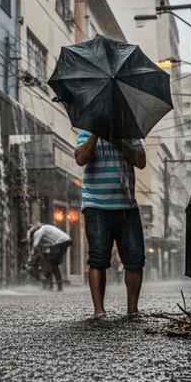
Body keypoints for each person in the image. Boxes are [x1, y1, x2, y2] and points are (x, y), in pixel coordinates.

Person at [75, 131, 146, 318]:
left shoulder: (129, 133)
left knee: (135, 259)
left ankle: (132, 310)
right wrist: (96, 135)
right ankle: (99, 311)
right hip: (96, 204)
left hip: (127, 205)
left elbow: (141, 161)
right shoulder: (85, 133)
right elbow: (81, 158)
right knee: (98, 257)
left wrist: (120, 142)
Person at [27, 221, 70, 291]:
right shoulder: (42, 231)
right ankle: (51, 286)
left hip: (55, 247)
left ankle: (54, 286)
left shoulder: (40, 233)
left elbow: (43, 244)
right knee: (50, 266)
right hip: (54, 247)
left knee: (52, 265)